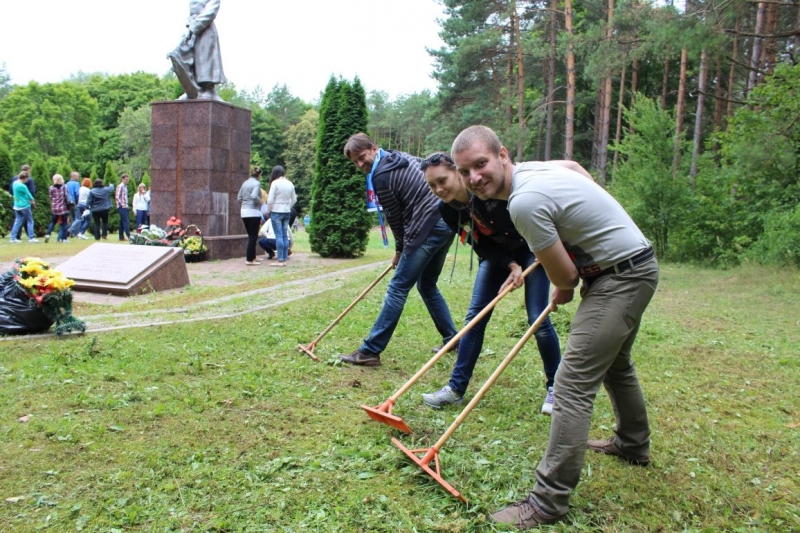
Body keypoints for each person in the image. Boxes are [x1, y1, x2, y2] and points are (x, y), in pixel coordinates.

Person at [451, 125, 658, 528]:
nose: (475, 178)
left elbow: (565, 278)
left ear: (502, 155)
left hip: (621, 277)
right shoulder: (536, 170)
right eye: (465, 171)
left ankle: (547, 502)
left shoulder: (523, 203)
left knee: (572, 385)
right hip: (632, 264)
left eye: (481, 164)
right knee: (616, 364)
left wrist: (565, 281)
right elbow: (576, 167)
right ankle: (633, 443)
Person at [419, 152, 561, 414]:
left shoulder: (487, 193)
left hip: (533, 246)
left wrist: (524, 261)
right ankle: (455, 389)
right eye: (432, 185)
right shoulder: (446, 210)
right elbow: (479, 244)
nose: (439, 189)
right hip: (496, 257)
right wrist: (510, 265)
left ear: (458, 173)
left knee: (537, 318)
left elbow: (530, 222)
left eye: (443, 180)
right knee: (475, 319)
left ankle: (557, 389)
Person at [339, 133, 458, 367]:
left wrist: (400, 249)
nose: (361, 164)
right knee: (427, 284)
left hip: (428, 225)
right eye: (356, 162)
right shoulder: (395, 157)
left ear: (374, 148)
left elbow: (395, 217)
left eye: (362, 157)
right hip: (445, 221)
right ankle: (453, 339)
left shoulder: (381, 175)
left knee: (397, 288)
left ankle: (370, 351)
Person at [168, 0, 226, 100]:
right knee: (189, 59)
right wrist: (190, 27)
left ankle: (208, 90)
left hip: (205, 31)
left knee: (205, 62)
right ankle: (193, 90)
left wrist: (194, 27)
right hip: (192, 29)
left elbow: (210, 12)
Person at [264, 166, 296, 267]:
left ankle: (280, 259)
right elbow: (294, 199)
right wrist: (288, 207)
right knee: (284, 234)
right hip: (287, 212)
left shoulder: (275, 183)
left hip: (276, 211)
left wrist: (268, 210)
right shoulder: (290, 183)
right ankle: (285, 256)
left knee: (278, 235)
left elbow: (270, 200)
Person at [237, 166, 263, 265]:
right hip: (253, 212)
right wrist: (260, 201)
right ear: (259, 175)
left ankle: (253, 256)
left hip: (244, 211)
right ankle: (249, 259)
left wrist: (245, 203)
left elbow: (239, 198)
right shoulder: (256, 183)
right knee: (253, 236)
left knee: (251, 235)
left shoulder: (245, 183)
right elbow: (254, 196)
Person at [9, 171, 39, 243]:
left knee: (17, 221)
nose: (27, 180)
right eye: (26, 179)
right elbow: (29, 195)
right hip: (24, 205)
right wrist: (33, 202)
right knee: (30, 221)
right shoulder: (23, 186)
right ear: (24, 178)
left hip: (17, 205)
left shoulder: (15, 183)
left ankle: (13, 238)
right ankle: (31, 238)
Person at [44, 174, 71, 243]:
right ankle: (64, 239)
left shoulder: (51, 188)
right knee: (64, 223)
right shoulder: (64, 186)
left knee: (53, 222)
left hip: (54, 207)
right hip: (63, 207)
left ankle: (48, 234)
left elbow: (50, 197)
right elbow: (67, 196)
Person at [116, 174, 131, 241]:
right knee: (126, 221)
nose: (127, 180)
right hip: (122, 206)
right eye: (126, 179)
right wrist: (122, 204)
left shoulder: (125, 187)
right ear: (122, 179)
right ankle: (129, 236)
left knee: (122, 222)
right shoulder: (120, 186)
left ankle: (121, 236)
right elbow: (117, 197)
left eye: (128, 179)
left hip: (125, 206)